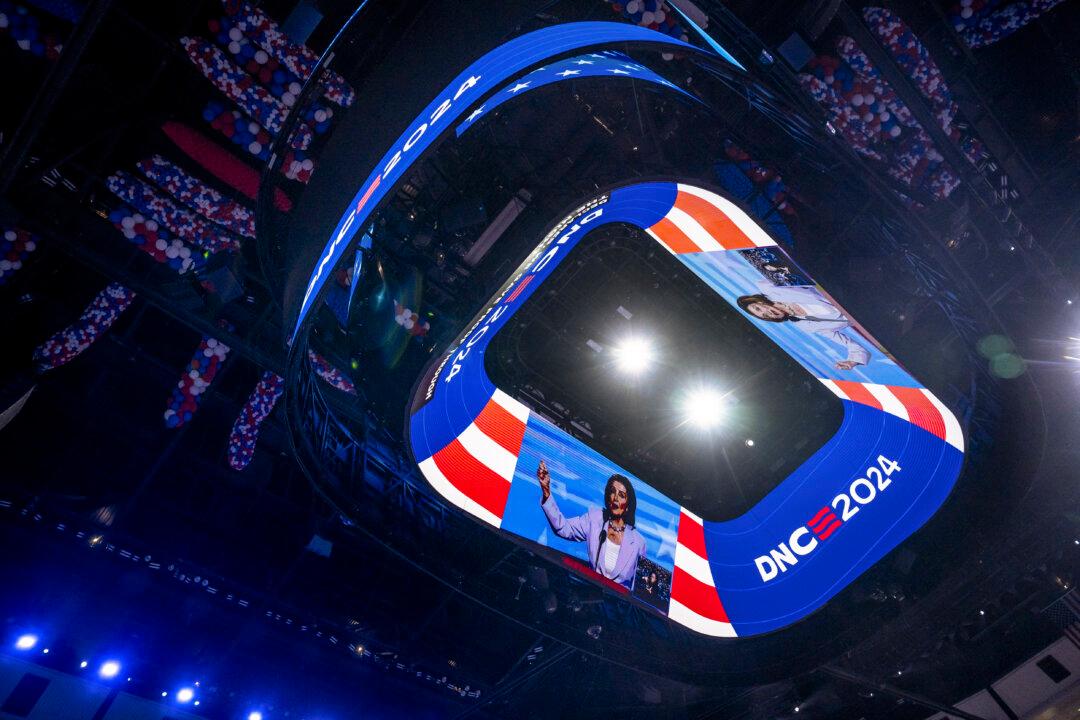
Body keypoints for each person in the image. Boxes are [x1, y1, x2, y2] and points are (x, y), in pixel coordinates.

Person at [537, 460, 646, 590]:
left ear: (628, 506)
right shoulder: (595, 519)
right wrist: (546, 491)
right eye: (612, 492)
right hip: (590, 595)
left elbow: (639, 589)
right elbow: (563, 528)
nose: (615, 498)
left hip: (619, 606)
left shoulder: (639, 542)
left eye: (621, 495)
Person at [736, 285, 871, 370]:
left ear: (759, 301)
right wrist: (852, 361)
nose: (767, 313)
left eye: (758, 308)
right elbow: (848, 343)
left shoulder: (771, 288)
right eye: (764, 316)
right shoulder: (806, 326)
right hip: (871, 311)